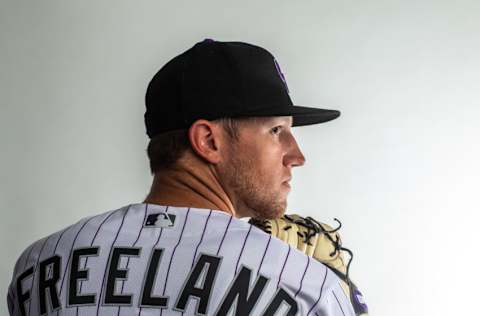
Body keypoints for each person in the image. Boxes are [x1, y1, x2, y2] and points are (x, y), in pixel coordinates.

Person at [7, 39, 356, 315]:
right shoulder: (305, 284)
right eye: (276, 130)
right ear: (208, 140)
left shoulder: (37, 267)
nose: (297, 156)